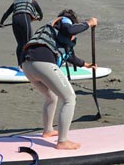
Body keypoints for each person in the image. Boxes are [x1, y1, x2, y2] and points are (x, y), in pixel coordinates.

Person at [21, 10, 97, 150]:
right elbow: (70, 29)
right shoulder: (65, 20)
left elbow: (68, 56)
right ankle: (62, 141)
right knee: (69, 98)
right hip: (43, 62)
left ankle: (48, 131)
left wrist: (86, 65)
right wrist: (89, 23)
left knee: (51, 97)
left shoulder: (54, 31)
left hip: (27, 64)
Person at [0, 0, 44, 67]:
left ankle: (20, 65)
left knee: (20, 44)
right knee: (28, 43)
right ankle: (28, 64)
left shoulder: (16, 1)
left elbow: (7, 13)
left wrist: (1, 23)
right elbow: (40, 12)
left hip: (15, 20)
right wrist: (40, 18)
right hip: (24, 18)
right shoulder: (32, 0)